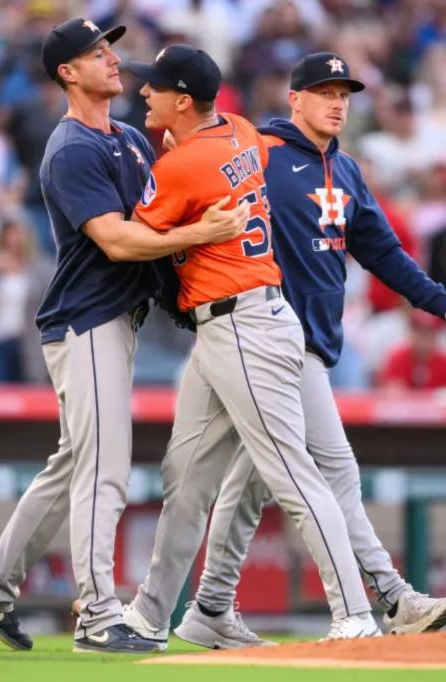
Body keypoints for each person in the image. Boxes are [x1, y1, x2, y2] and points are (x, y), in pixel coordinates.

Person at [0, 19, 248, 655]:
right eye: (95, 53)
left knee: (74, 462)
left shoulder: (133, 139)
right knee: (105, 468)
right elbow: (116, 239)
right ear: (66, 73)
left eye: (109, 48)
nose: (112, 60)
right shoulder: (71, 147)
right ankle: (96, 613)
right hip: (86, 321)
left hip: (117, 318)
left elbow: (156, 235)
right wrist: (201, 236)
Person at [170, 53, 446, 649]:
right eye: (323, 91)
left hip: (311, 344)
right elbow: (199, 205)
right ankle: (391, 595)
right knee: (333, 469)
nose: (337, 101)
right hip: (267, 336)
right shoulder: (261, 153)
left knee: (248, 485)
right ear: (295, 98)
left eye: (344, 92)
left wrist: (439, 300)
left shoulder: (345, 170)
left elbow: (384, 253)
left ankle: (210, 606)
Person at [119, 45, 380, 647]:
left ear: (183, 101)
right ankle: (151, 618)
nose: (144, 94)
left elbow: (126, 240)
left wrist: (184, 204)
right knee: (185, 475)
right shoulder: (237, 129)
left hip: (246, 326)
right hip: (234, 322)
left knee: (291, 472)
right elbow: (237, 156)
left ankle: (354, 616)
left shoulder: (183, 167)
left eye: (154, 88)